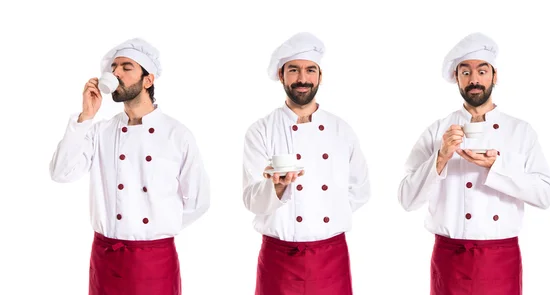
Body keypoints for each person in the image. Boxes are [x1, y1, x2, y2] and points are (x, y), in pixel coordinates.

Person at [397, 32, 550, 295]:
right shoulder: (437, 131)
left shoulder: (520, 131)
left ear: (495, 76)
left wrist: (497, 167)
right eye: (466, 72)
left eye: (482, 71)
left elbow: (546, 195)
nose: (474, 80)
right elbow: (406, 199)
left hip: (500, 260)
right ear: (456, 79)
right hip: (450, 261)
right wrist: (441, 156)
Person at [49, 38, 210, 295]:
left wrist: (155, 229)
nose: (115, 73)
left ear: (148, 80)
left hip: (155, 262)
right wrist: (85, 117)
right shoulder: (100, 131)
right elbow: (61, 173)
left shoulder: (177, 134)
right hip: (106, 260)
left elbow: (199, 201)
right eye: (113, 68)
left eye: (126, 67)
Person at [242, 32, 370, 295]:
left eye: (310, 70)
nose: (302, 79)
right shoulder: (261, 130)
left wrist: (327, 215)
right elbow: (251, 200)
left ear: (320, 76)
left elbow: (360, 189)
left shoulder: (341, 130)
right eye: (294, 70)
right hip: (278, 260)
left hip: (330, 257)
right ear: (281, 75)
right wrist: (276, 189)